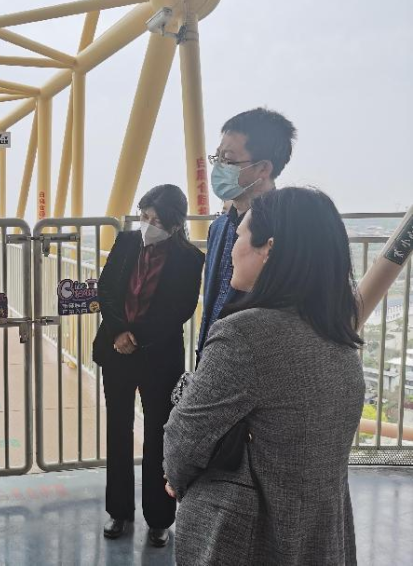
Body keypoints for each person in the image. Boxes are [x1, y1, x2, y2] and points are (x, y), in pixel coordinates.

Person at [163, 187, 365, 565]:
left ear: (267, 248)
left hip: (251, 539)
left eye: (241, 236)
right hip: (319, 535)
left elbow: (186, 437)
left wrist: (176, 478)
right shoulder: (336, 332)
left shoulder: (245, 334)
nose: (233, 249)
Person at [92, 185, 204, 546]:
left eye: (157, 221)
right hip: (116, 350)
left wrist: (136, 336)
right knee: (118, 429)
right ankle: (118, 511)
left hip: (158, 355)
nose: (148, 225)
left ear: (175, 225)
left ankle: (159, 517)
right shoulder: (126, 242)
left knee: (159, 433)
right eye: (144, 216)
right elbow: (106, 289)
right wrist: (118, 331)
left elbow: (180, 308)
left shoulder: (190, 258)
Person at [197, 108, 297, 356]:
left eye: (228, 160)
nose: (218, 167)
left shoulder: (288, 231)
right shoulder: (218, 227)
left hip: (255, 360)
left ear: (263, 168)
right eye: (217, 157)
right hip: (212, 355)